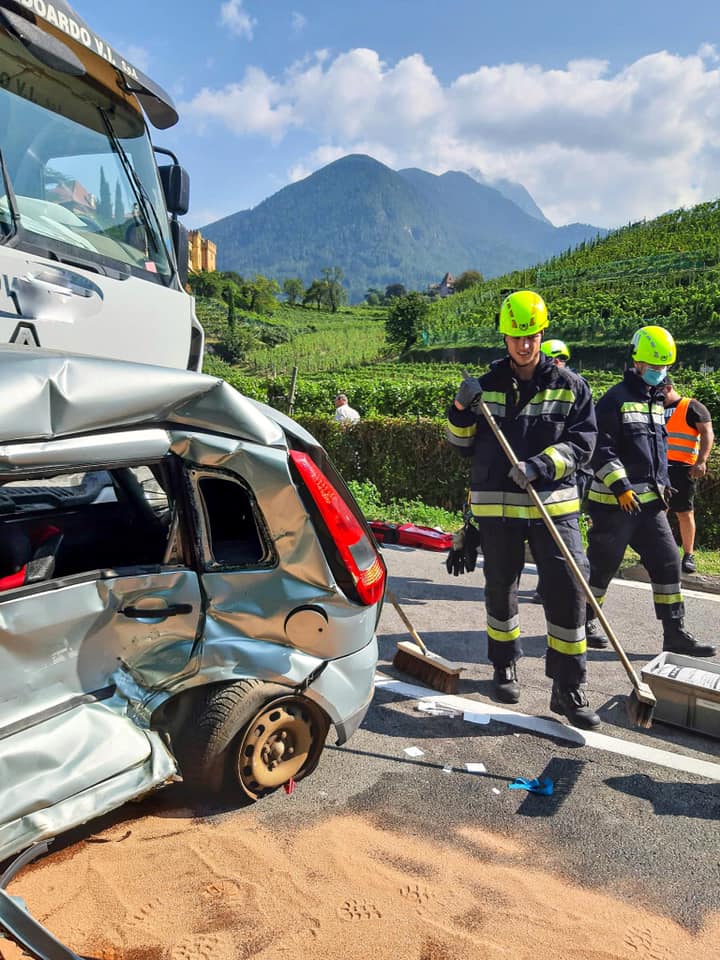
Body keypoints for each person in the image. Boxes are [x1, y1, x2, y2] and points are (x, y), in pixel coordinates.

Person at [446, 290, 601, 729]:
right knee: (500, 589)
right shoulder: (486, 386)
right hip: (497, 511)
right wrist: (460, 409)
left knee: (569, 590)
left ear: (542, 334)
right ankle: (503, 666)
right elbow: (460, 445)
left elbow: (583, 444)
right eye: (516, 337)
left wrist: (541, 466)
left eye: (531, 335)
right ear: (505, 338)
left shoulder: (571, 387)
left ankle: (568, 686)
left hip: (553, 508)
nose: (524, 344)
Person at [584, 326, 716, 657]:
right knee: (602, 567)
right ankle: (582, 623)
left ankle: (674, 633)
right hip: (615, 505)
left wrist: (663, 484)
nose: (659, 371)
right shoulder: (614, 400)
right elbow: (600, 448)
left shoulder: (654, 401)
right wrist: (620, 487)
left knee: (669, 562)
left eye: (664, 366)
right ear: (637, 362)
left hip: (649, 506)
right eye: (654, 365)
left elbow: (654, 452)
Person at [661, 376, 714, 573]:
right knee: (658, 511)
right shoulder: (655, 408)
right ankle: (658, 552)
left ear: (668, 388)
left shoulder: (692, 407)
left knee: (684, 511)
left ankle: (688, 555)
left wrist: (701, 461)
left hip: (683, 468)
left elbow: (707, 433)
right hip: (660, 468)